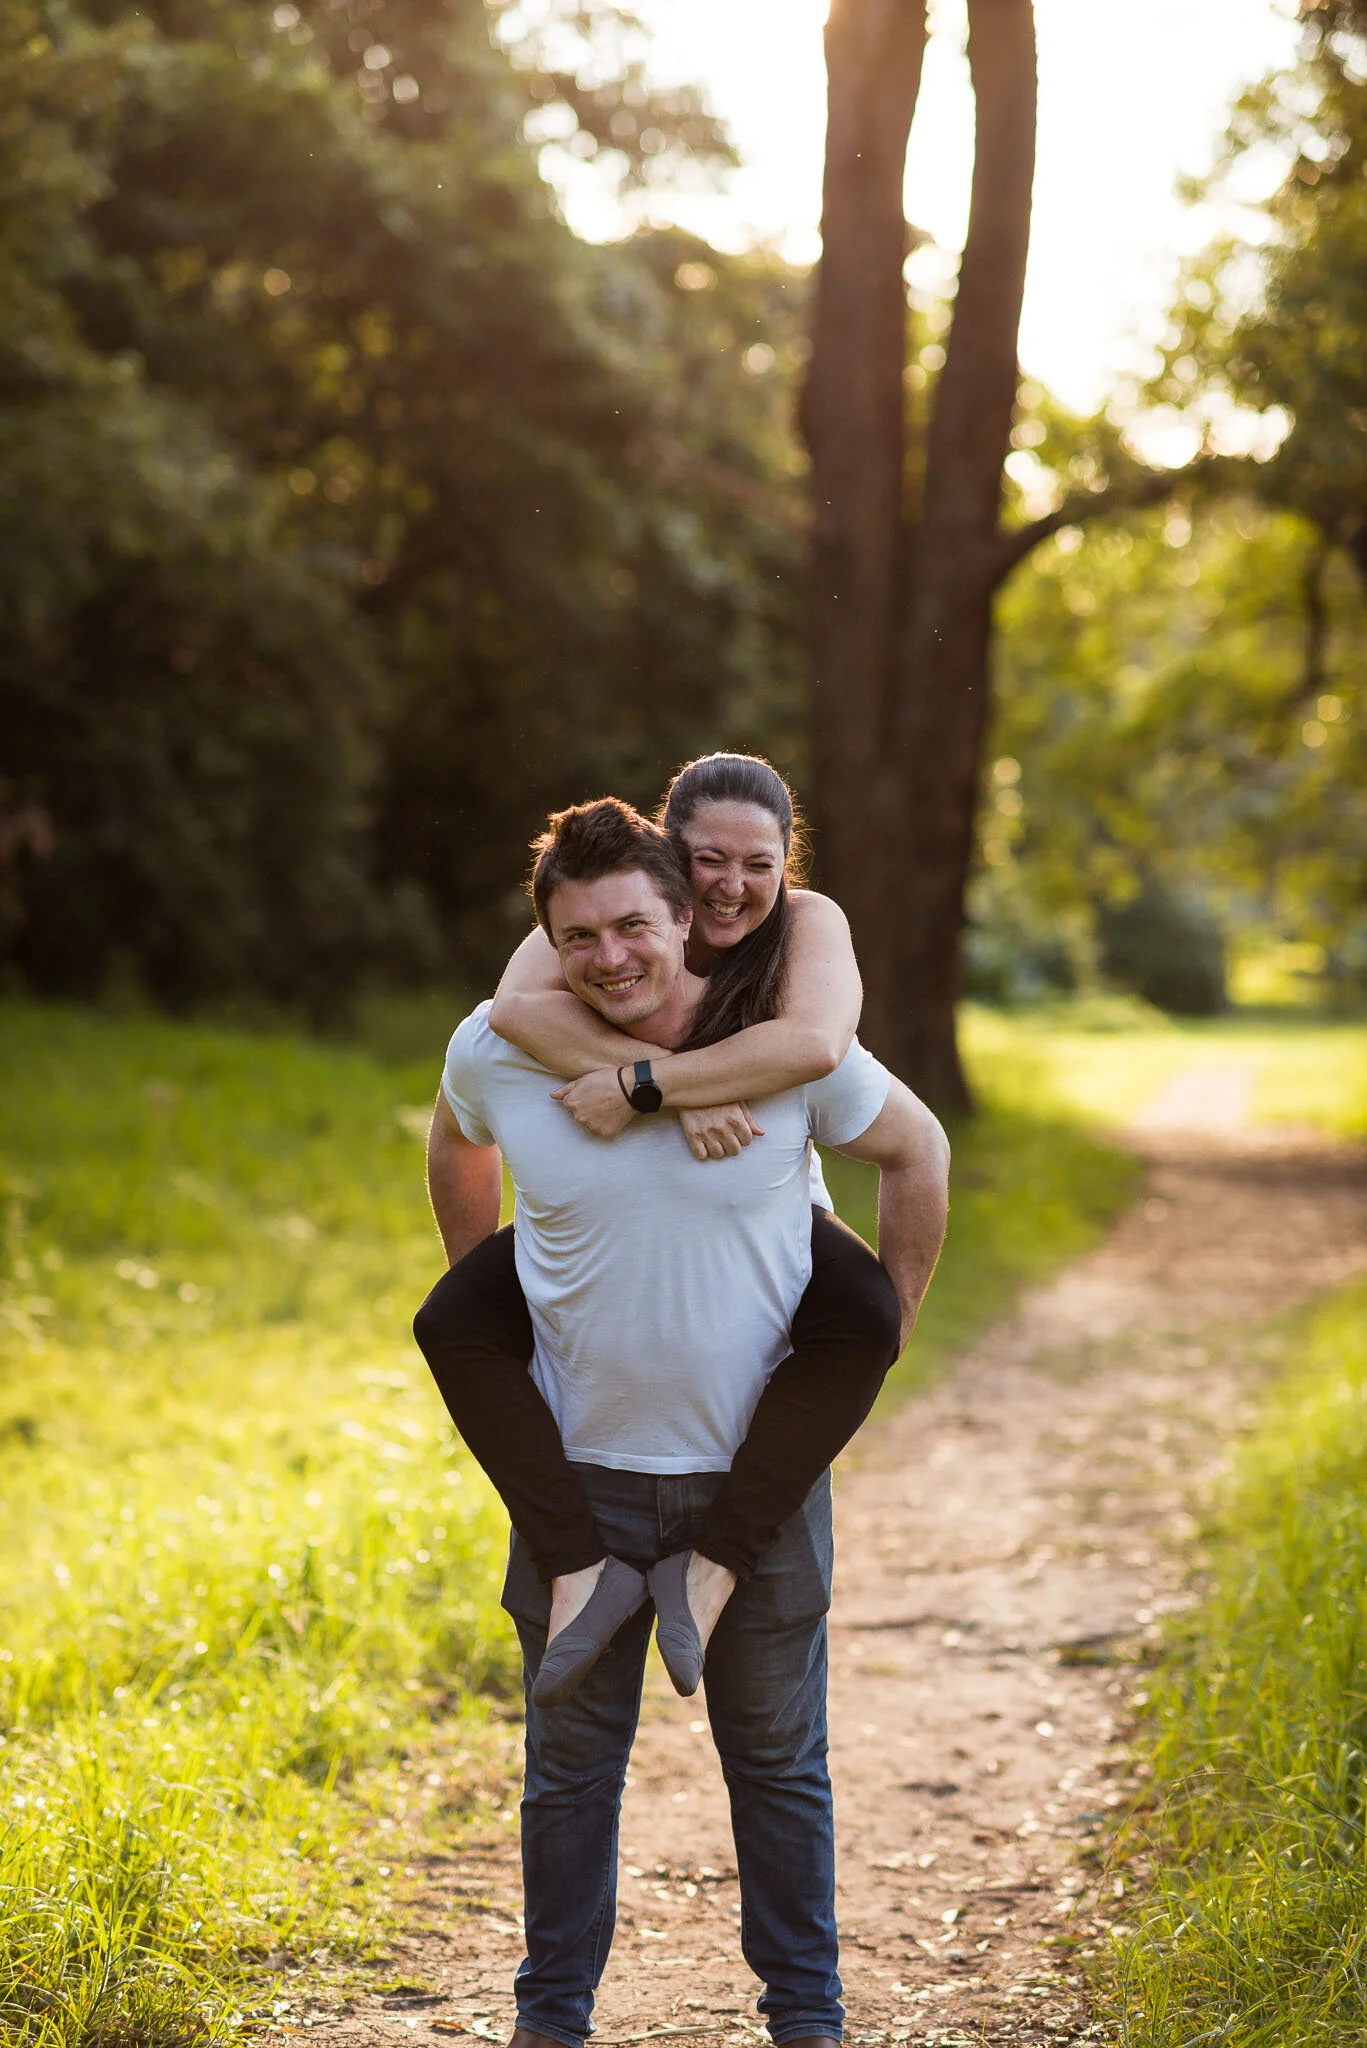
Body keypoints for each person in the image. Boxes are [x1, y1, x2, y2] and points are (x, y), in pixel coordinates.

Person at [422, 796, 949, 2048]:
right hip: (579, 1480)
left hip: (752, 1483)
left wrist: (888, 1321)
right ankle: (549, 2020)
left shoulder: (771, 1055)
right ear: (549, 941)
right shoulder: (502, 1048)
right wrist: (495, 1284)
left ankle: (806, 2018)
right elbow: (454, 1137)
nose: (610, 955)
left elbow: (916, 1147)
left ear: (680, 922)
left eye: (633, 927)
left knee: (774, 1761)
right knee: (566, 1773)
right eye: (579, 936)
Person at [414, 755, 915, 1702]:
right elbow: (514, 1015)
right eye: (709, 860)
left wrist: (655, 1085)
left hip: (761, 1193)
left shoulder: (807, 923)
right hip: (622, 1190)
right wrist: (670, 1088)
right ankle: (580, 1567)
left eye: (758, 864)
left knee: (864, 1315)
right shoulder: (609, 911)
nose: (732, 885)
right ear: (670, 861)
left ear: (784, 863)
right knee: (453, 1318)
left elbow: (814, 1044)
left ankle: (718, 1563)